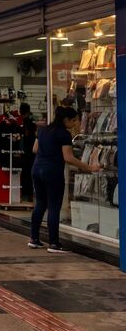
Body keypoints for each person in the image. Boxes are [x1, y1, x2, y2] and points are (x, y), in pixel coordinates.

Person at [29, 106, 101, 253]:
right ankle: (54, 243)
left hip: (36, 170)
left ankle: (34, 239)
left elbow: (35, 150)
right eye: (74, 120)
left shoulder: (43, 130)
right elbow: (68, 157)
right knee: (54, 206)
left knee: (41, 204)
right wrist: (89, 167)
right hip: (52, 172)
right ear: (66, 120)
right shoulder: (64, 134)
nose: (75, 123)